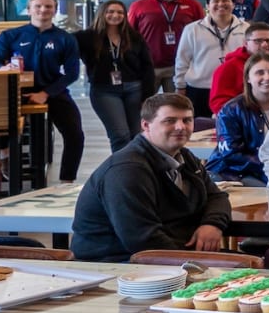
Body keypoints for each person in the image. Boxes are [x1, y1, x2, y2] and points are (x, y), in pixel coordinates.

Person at [69, 94, 232, 263]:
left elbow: (217, 196)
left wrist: (212, 224)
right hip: (119, 264)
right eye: (170, 121)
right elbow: (143, 240)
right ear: (146, 125)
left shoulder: (184, 156)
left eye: (187, 120)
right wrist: (194, 263)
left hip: (170, 254)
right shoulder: (127, 170)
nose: (180, 127)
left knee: (254, 268)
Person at [0, 0, 86, 182]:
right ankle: (5, 159)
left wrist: (46, 93)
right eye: (38, 6)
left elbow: (72, 73)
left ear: (55, 10)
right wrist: (3, 68)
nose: (43, 10)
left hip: (53, 91)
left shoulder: (65, 39)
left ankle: (67, 180)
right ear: (29, 10)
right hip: (16, 91)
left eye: (48, 6)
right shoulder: (11, 35)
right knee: (0, 125)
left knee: (75, 134)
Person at [80, 0, 157, 154]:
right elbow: (64, 47)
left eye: (120, 12)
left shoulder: (134, 36)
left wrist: (147, 96)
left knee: (137, 135)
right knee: (120, 134)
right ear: (102, 14)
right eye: (110, 12)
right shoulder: (87, 37)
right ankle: (122, 170)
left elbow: (147, 66)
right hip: (104, 91)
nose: (115, 15)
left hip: (134, 89)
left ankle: (137, 167)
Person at [207, 54, 269, 184]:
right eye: (260, 73)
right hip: (234, 172)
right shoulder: (230, 110)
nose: (267, 77)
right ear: (248, 78)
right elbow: (231, 154)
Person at [172, 0, 248, 117]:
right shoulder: (192, 29)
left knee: (232, 128)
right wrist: (180, 86)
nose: (221, 4)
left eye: (225, 1)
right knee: (199, 128)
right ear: (207, 6)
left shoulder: (246, 28)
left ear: (233, 5)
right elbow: (182, 59)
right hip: (200, 88)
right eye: (215, 1)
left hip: (234, 89)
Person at [128, 0, 204, 90]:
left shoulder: (193, 5)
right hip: (148, 66)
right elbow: (129, 35)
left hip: (180, 67)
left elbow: (201, 34)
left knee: (176, 106)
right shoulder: (139, 6)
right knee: (146, 106)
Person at [208, 22, 269, 107]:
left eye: (268, 40)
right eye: (258, 41)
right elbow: (218, 104)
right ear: (245, 43)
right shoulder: (228, 68)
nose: (265, 44)